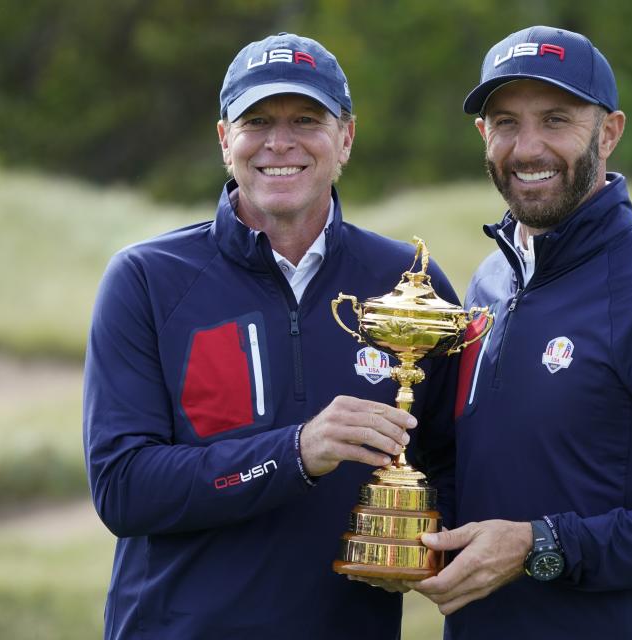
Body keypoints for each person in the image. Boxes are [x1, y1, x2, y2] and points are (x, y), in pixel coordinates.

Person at [82, 32, 457, 639]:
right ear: (225, 139)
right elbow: (124, 489)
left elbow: (451, 461)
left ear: (346, 139)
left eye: (306, 119)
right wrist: (294, 453)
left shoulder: (408, 283)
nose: (279, 142)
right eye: (257, 121)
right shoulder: (146, 279)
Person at [411, 25, 632, 639]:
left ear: (609, 132)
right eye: (506, 122)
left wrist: (540, 546)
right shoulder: (487, 285)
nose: (527, 148)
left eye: (556, 120)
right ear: (483, 135)